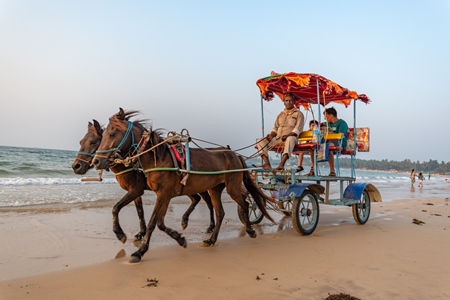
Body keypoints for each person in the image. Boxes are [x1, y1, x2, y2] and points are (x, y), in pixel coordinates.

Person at [257, 92, 305, 171]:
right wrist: (271, 135)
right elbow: (275, 128)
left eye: (290, 100)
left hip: (291, 139)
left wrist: (287, 136)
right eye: (286, 100)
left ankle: (281, 164)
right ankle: (267, 163)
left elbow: (298, 129)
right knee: (260, 140)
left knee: (290, 138)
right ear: (284, 102)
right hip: (278, 139)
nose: (288, 102)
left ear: (294, 102)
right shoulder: (280, 115)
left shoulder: (299, 114)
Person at [307, 107, 348, 176]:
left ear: (331, 115)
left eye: (326, 116)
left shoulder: (342, 123)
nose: (325, 118)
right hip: (327, 141)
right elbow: (317, 125)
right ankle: (313, 168)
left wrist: (328, 133)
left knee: (328, 146)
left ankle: (332, 171)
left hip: (339, 142)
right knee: (313, 147)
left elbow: (340, 135)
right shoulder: (326, 123)